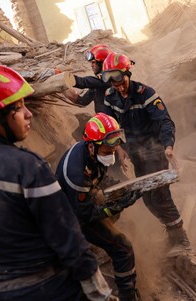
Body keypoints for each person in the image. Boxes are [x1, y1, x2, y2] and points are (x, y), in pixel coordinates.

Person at [0, 64, 117, 301]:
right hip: (51, 290)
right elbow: (67, 237)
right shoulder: (27, 166)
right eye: (18, 108)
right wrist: (98, 293)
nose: (28, 114)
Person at [100, 52, 191, 257]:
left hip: (155, 150)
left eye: (120, 80)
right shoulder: (110, 97)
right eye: (112, 81)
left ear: (127, 74)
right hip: (135, 152)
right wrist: (120, 149)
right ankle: (171, 233)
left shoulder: (145, 93)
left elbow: (165, 122)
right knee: (147, 198)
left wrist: (168, 146)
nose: (118, 86)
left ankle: (182, 240)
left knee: (160, 196)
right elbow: (111, 126)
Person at [56, 113, 141, 301]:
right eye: (107, 150)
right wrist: (119, 204)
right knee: (123, 247)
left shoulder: (94, 154)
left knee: (111, 209)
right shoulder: (76, 173)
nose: (111, 153)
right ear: (91, 144)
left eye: (114, 148)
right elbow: (85, 215)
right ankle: (129, 296)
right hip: (71, 219)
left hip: (82, 204)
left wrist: (122, 188)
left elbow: (100, 179)